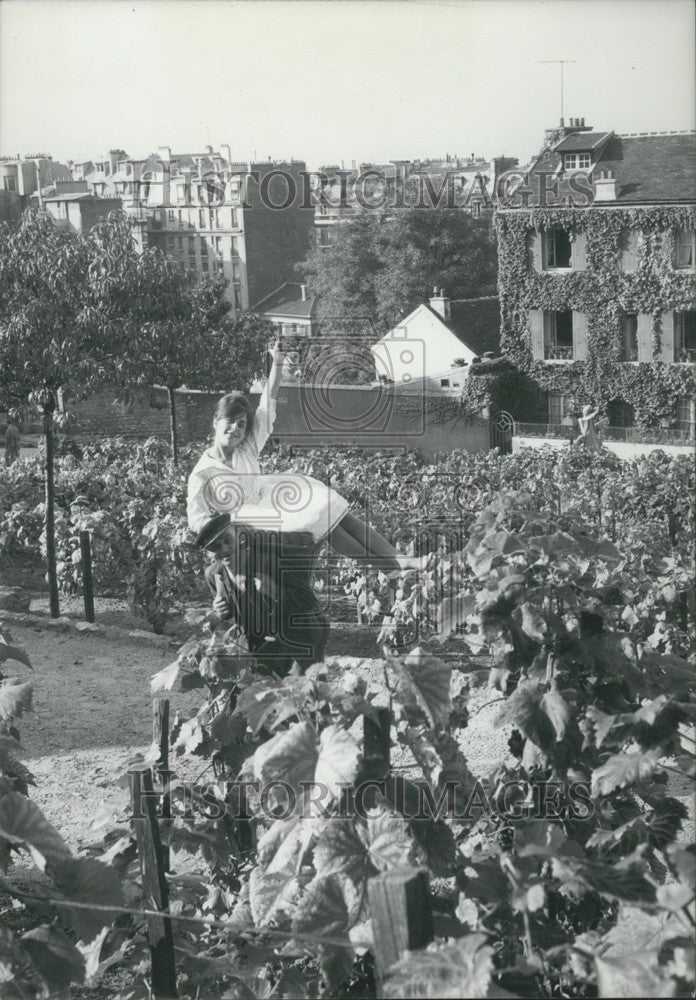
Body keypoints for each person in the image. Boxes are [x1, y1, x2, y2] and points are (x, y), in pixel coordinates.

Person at [187, 341, 430, 576]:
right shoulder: (202, 472)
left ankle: (398, 559)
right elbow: (196, 518)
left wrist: (277, 364)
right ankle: (390, 566)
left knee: (338, 513)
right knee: (323, 523)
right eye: (230, 422)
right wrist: (223, 531)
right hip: (249, 524)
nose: (235, 429)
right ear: (216, 422)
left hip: (269, 499)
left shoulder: (246, 448)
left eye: (241, 424)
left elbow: (267, 403)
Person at [196, 512, 328, 675]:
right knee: (262, 692)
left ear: (238, 536)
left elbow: (308, 601)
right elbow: (234, 614)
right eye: (215, 547)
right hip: (261, 642)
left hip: (300, 634)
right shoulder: (214, 574)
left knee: (309, 692)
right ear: (209, 553)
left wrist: (276, 592)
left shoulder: (269, 561)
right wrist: (220, 610)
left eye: (227, 540)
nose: (224, 549)